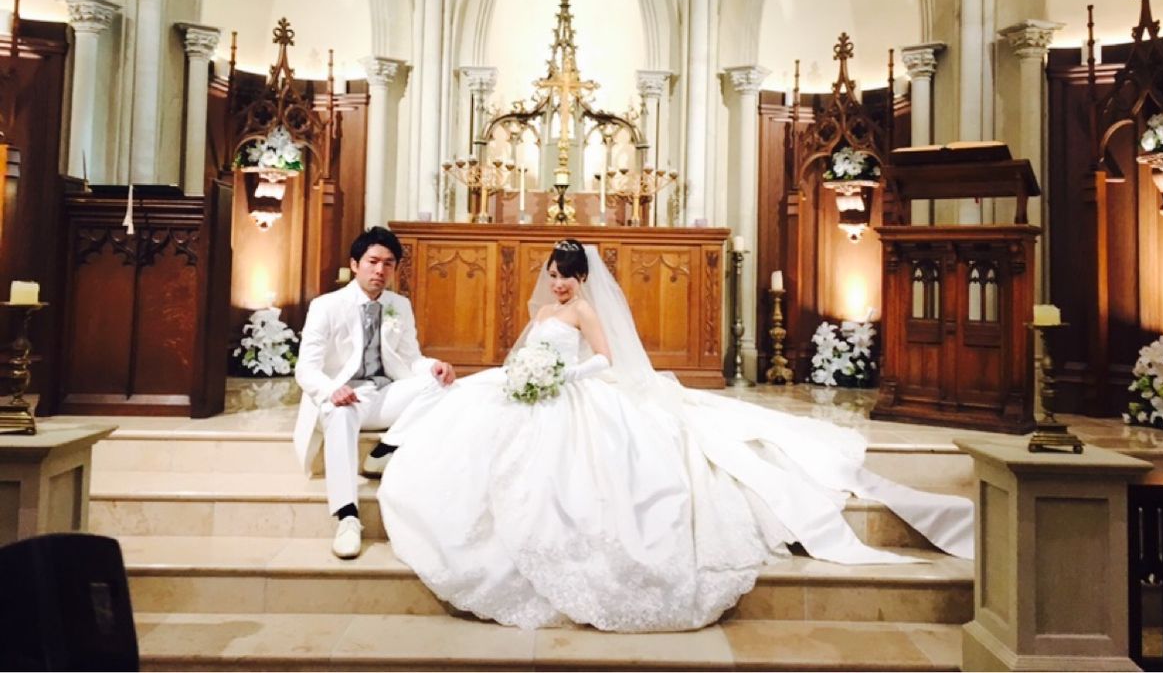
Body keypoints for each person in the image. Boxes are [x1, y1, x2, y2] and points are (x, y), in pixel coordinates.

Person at [375, 239, 973, 631]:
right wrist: (525, 372)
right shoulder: (541, 312)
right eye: (553, 276)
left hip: (577, 390)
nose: (558, 285)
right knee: (470, 421)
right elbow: (524, 351)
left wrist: (562, 375)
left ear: (582, 279)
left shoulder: (585, 310)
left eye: (567, 277)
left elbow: (606, 360)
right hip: (535, 387)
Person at [292, 226, 455, 559]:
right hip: (344, 397)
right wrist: (332, 390)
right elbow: (305, 369)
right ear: (355, 264)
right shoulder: (326, 305)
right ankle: (347, 517)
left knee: (442, 384)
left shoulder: (399, 305)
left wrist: (434, 366)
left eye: (388, 263)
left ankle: (384, 449)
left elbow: (410, 359)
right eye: (373, 261)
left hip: (383, 394)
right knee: (339, 413)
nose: (380, 270)